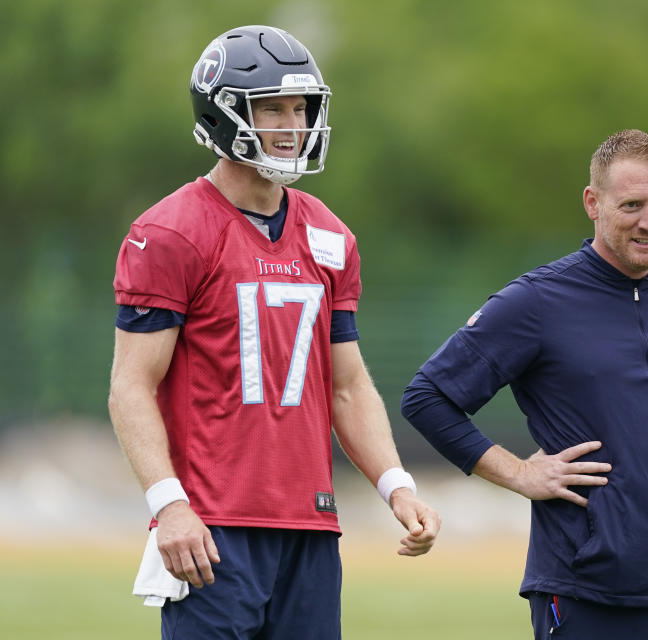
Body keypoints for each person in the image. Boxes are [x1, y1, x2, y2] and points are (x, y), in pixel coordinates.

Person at [107, 25, 439, 639]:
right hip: (212, 528)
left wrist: (397, 485)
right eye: (272, 108)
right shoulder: (172, 232)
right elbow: (132, 385)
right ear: (225, 112)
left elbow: (347, 384)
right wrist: (168, 504)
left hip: (311, 525)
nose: (292, 124)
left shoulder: (332, 236)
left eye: (300, 107)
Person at [401, 129, 648, 638]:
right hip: (583, 589)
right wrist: (520, 473)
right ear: (593, 203)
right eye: (632, 204)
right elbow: (428, 398)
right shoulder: (537, 301)